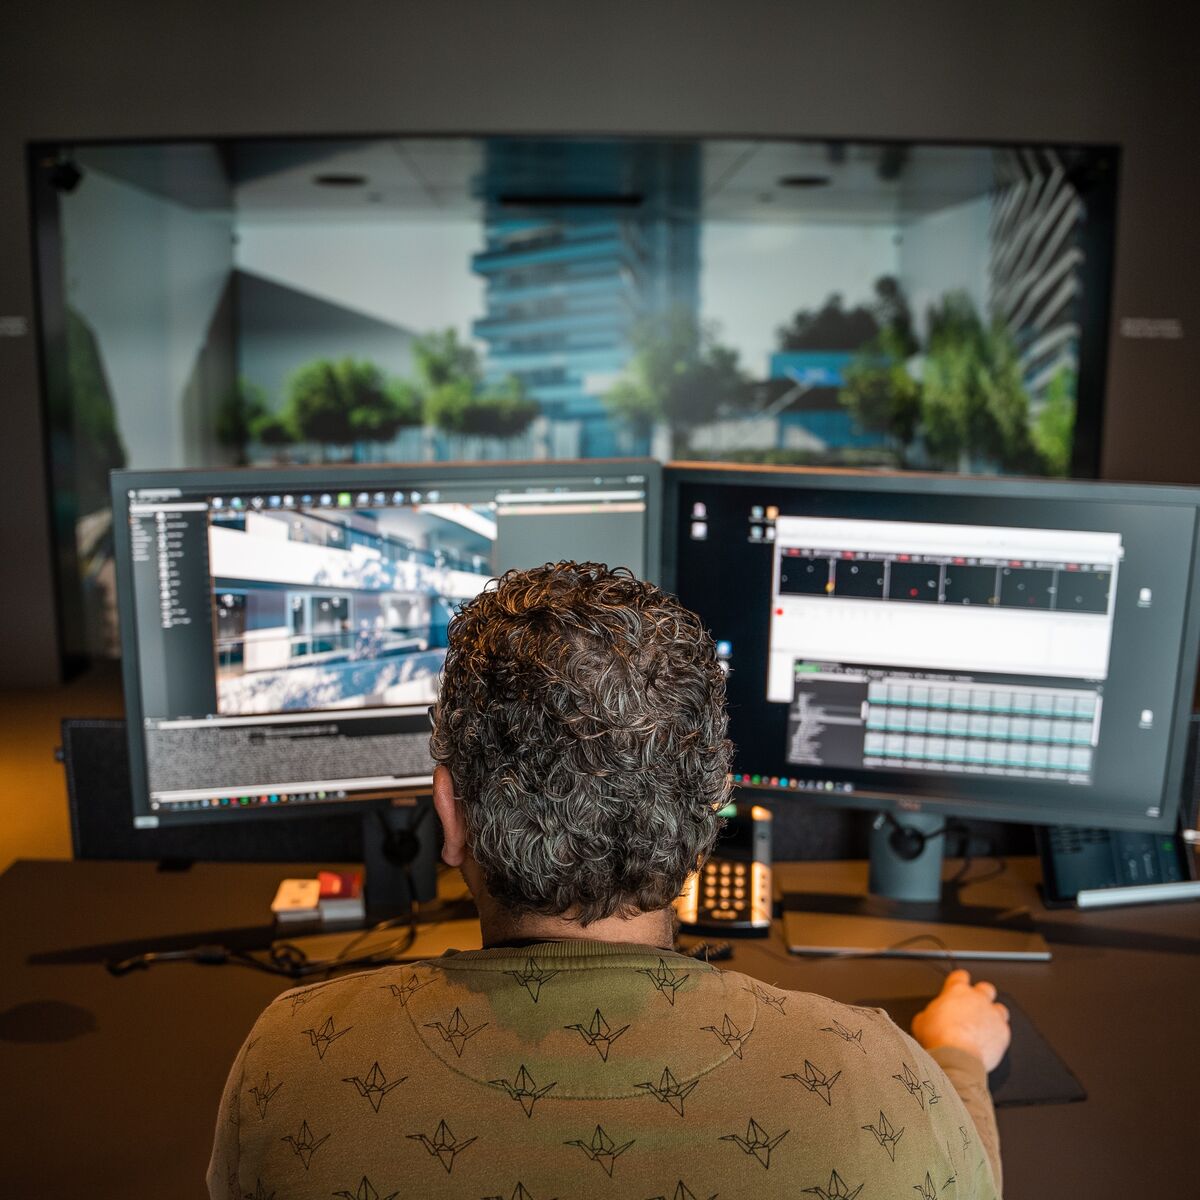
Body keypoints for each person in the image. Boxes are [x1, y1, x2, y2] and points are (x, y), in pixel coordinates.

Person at [208, 562, 1010, 1200]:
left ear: (448, 815)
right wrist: (959, 1061)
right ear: (709, 817)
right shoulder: (877, 1079)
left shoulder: (293, 1064)